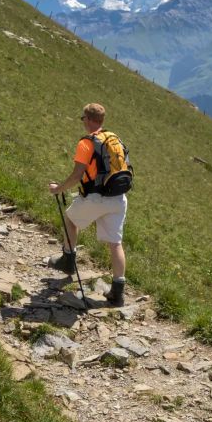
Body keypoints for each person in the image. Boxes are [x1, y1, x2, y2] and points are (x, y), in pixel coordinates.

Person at [49, 103, 128, 307]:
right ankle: (118, 292)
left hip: (97, 196)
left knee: (70, 218)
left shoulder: (87, 143)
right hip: (119, 198)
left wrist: (59, 189)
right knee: (115, 243)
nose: (82, 121)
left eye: (83, 118)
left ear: (90, 120)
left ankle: (67, 260)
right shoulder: (114, 138)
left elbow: (77, 175)